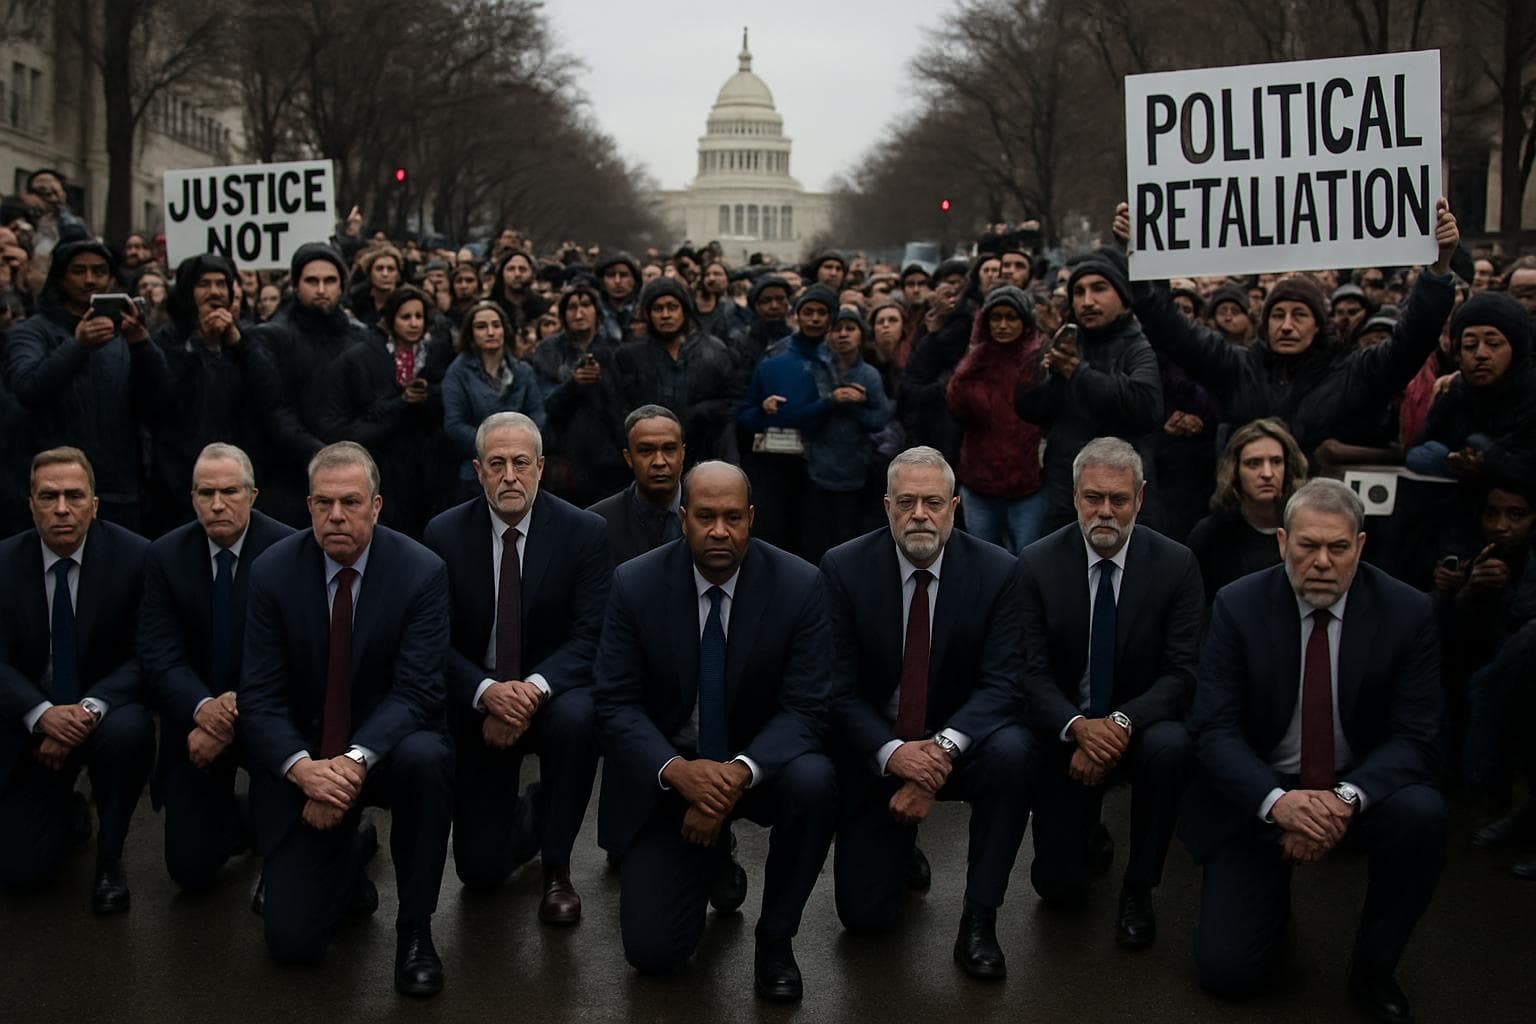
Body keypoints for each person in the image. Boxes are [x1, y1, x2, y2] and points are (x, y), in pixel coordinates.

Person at [1183, 480, 1445, 1023]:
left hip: (1360, 788)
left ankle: (1374, 968)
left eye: (1338, 547)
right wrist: (1279, 802)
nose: (1321, 561)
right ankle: (1270, 902)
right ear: (1282, 543)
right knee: (1228, 976)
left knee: (1422, 813)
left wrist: (1344, 799)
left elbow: (1416, 735)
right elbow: (1214, 729)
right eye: (1307, 546)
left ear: (1361, 546)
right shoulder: (1238, 605)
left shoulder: (1408, 611)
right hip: (1264, 788)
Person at [593, 462, 836, 1002]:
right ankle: (711, 857)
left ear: (751, 518)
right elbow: (615, 704)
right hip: (672, 769)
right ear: (683, 519)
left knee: (815, 780)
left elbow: (806, 708)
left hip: (760, 764)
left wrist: (732, 779)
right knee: (653, 956)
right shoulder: (635, 584)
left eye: (732, 517)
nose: (719, 531)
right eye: (705, 516)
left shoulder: (800, 586)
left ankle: (775, 939)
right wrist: (678, 773)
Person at [238, 442, 454, 996]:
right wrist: (303, 769)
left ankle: (415, 930)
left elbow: (417, 690)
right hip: (307, 757)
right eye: (324, 503)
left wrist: (353, 764)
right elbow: (259, 697)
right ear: (308, 506)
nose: (337, 516)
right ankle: (351, 859)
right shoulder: (272, 573)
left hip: (386, 749)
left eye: (351, 502)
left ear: (377, 507)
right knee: (293, 947)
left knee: (429, 758)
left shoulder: (421, 572)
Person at [822, 447, 1034, 980]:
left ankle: (980, 919)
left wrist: (937, 756)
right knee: (866, 920)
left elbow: (1003, 683)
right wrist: (895, 756)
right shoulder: (843, 569)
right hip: (879, 746)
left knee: (1014, 752)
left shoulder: (999, 572)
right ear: (887, 506)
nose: (921, 514)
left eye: (934, 503)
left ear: (955, 508)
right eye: (909, 502)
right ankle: (900, 850)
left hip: (959, 741)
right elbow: (835, 689)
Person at [422, 412, 611, 925]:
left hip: (550, 692)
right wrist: (486, 693)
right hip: (477, 699)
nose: (510, 476)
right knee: (481, 874)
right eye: (497, 464)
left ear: (541, 467)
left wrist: (529, 690)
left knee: (581, 718)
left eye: (521, 463)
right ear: (478, 470)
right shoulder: (444, 534)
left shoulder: (585, 532)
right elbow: (431, 640)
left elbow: (591, 635)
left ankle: (557, 868)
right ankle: (535, 810)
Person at [1018, 437, 1204, 949]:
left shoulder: (1176, 564)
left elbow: (1182, 672)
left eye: (1118, 500)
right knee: (1059, 892)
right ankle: (1087, 830)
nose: (1105, 511)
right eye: (1093, 497)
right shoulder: (1036, 563)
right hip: (1066, 729)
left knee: (1173, 748)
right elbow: (1027, 672)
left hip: (1141, 726)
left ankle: (1140, 886)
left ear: (1140, 499)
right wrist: (1079, 728)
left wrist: (1119, 725)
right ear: (1074, 496)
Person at [1122, 200, 1459, 461]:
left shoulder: (1352, 372)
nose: (1286, 325)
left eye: (1299, 314)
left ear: (1319, 326)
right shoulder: (1236, 368)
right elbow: (1172, 331)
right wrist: (1142, 259)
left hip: (1324, 522)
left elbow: (1411, 343)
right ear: (1264, 324)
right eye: (1277, 315)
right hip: (1245, 521)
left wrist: (1439, 267)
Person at [0, 447, 153, 913]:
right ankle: (68, 814)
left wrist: (86, 711)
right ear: (31, 504)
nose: (62, 509)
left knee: (130, 732)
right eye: (49, 497)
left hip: (104, 713)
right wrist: (42, 715)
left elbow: (146, 653)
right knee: (22, 874)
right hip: (32, 722)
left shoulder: (136, 557)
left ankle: (110, 858)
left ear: (95, 503)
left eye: (74, 496)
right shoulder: (4, 563)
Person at [140, 443, 293, 891]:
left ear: (253, 494)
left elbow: (294, 654)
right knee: (189, 871)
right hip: (197, 718)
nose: (218, 504)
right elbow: (158, 652)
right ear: (192, 498)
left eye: (230, 491)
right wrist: (204, 707)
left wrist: (235, 707)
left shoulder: (287, 549)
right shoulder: (165, 556)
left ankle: (311, 844)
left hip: (268, 713)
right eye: (206, 493)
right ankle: (246, 824)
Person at [5, 240, 168, 531]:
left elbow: (160, 400)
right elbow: (28, 388)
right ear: (61, 277)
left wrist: (141, 343)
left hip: (118, 490)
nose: (90, 279)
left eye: (99, 271)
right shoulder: (32, 332)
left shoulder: (124, 334)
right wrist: (78, 346)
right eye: (79, 271)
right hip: (57, 492)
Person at [1014, 256, 1164, 532]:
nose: (1087, 301)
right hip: (1065, 491)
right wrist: (1046, 363)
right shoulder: (1066, 341)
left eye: (1099, 289)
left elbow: (1144, 406)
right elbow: (1028, 406)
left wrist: (1078, 373)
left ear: (1122, 296)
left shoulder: (1137, 347)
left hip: (1119, 493)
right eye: (1079, 292)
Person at [146, 252, 281, 536]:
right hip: (180, 479)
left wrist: (236, 341)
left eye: (221, 283)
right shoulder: (167, 339)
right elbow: (163, 397)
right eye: (204, 284)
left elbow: (269, 391)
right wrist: (199, 345)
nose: (215, 292)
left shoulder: (248, 336)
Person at [246, 242, 372, 526]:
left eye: (330, 280)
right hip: (289, 478)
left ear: (342, 285)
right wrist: (322, 454)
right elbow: (275, 410)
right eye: (311, 281)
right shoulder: (270, 337)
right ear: (295, 285)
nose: (321, 289)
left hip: (352, 475)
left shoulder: (360, 337)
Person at [318, 285, 453, 538]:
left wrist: (430, 395)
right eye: (405, 317)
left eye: (418, 317)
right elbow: (361, 412)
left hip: (426, 469)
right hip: (384, 464)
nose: (413, 324)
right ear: (391, 320)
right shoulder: (364, 357)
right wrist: (401, 401)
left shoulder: (436, 355)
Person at [945, 284, 1047, 554]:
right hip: (980, 482)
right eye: (996, 318)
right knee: (983, 560)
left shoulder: (1039, 362)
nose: (1002, 325)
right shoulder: (976, 361)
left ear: (1024, 322)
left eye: (1011, 318)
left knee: (1026, 559)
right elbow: (956, 405)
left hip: (1028, 485)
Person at [1405, 290, 1536, 488]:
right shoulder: (1455, 394)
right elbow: (1419, 450)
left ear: (1516, 349)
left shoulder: (1531, 396)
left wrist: (1490, 465)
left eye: (1493, 344)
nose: (1481, 354)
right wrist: (1451, 461)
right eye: (1470, 345)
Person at [612, 277, 739, 464]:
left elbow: (733, 400)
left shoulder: (713, 351)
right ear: (648, 314)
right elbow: (618, 409)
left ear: (684, 311)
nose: (665, 315)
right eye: (658, 308)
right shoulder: (629, 356)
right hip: (649, 459)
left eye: (672, 307)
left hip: (703, 455)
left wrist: (700, 412)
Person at [528, 284, 630, 508]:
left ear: (597, 312)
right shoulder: (548, 350)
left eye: (586, 305)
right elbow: (546, 402)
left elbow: (624, 404)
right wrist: (573, 384)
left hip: (609, 458)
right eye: (572, 307)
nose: (579, 313)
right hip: (564, 455)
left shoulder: (616, 350)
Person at [1187, 419, 1309, 605]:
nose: (1267, 473)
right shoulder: (1210, 534)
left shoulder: (1306, 530)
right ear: (1234, 471)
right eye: (1254, 463)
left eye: (1276, 462)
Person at [805, 308, 891, 560]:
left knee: (847, 542)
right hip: (816, 472)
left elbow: (880, 420)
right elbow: (803, 417)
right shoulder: (816, 371)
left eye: (850, 329)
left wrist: (856, 407)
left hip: (854, 474)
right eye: (838, 328)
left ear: (861, 336)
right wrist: (831, 401)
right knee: (816, 541)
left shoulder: (869, 375)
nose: (843, 334)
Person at [442, 300, 545, 497]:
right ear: (471, 334)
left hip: (522, 465)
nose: (490, 332)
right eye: (481, 326)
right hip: (476, 470)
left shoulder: (523, 371)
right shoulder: (457, 373)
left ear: (504, 330)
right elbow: (454, 425)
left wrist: (517, 445)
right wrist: (494, 445)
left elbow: (537, 415)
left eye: (496, 325)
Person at [588, 405, 687, 566]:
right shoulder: (598, 524)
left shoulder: (709, 514)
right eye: (646, 451)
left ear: (682, 454)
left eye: (669, 449)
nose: (659, 462)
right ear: (628, 458)